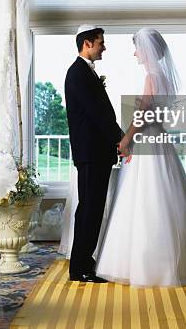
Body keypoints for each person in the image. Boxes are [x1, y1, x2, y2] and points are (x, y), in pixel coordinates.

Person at [95, 27, 186, 286]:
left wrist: (126, 139)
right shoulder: (161, 75)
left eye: (137, 48)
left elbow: (142, 116)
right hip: (158, 141)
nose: (134, 53)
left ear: (147, 50)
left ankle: (151, 266)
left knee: (146, 199)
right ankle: (177, 262)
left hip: (147, 141)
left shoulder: (152, 76)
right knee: (162, 197)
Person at [64, 24, 123, 282]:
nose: (104, 47)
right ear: (87, 43)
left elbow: (100, 114)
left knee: (92, 208)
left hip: (94, 153)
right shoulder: (78, 73)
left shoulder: (84, 72)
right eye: (101, 42)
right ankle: (80, 268)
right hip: (91, 153)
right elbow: (99, 116)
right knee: (90, 209)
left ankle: (85, 261)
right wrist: (121, 140)